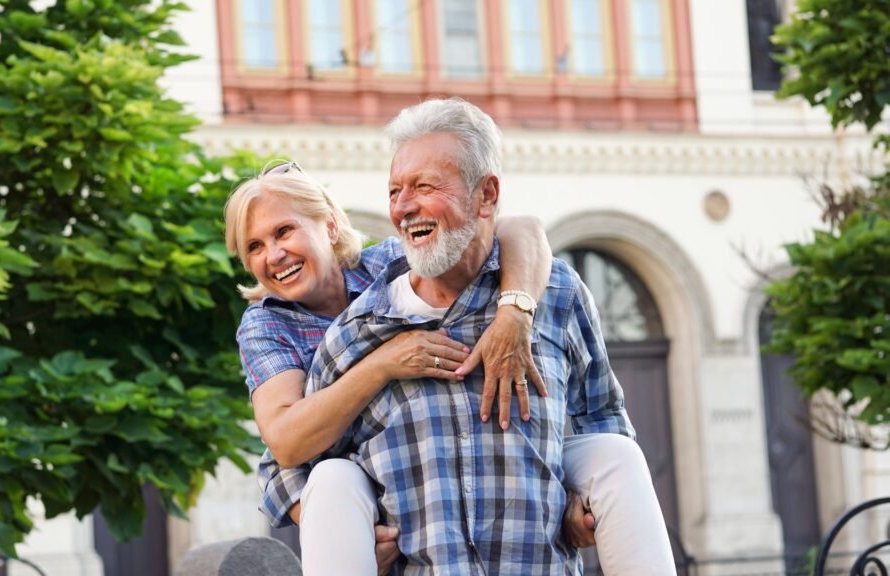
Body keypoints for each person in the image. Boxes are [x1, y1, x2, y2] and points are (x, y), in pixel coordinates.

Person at [257, 98, 676, 575]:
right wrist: (342, 533)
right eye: (395, 190)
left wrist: (584, 504)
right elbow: (288, 462)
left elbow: (602, 415)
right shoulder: (357, 332)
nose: (403, 206)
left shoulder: (556, 294)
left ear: (486, 195)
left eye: (424, 186)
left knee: (616, 453)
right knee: (333, 476)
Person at [226, 162, 558, 574]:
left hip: (437, 472)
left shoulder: (390, 263)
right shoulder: (266, 324)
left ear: (329, 227)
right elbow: (286, 445)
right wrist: (384, 364)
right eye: (254, 247)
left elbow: (521, 229)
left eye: (283, 232)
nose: (273, 256)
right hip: (360, 493)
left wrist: (514, 312)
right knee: (333, 477)